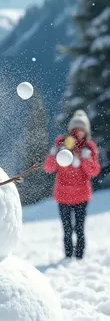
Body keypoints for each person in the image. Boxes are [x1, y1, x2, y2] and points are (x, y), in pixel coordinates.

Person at [44, 109, 101, 259]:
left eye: (82, 129)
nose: (79, 132)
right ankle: (68, 257)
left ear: (86, 130)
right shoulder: (62, 143)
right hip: (63, 195)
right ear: (71, 129)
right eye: (76, 128)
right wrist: (54, 153)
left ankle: (79, 258)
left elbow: (94, 171)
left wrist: (85, 158)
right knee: (67, 229)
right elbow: (49, 168)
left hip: (81, 195)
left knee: (79, 229)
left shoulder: (89, 147)